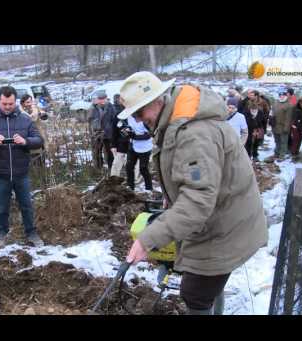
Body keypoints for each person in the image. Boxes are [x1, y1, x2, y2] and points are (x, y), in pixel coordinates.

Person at [121, 72, 267, 315]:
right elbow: (194, 180)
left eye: (139, 113)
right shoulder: (177, 120)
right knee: (207, 288)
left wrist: (147, 239)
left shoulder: (194, 134)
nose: (138, 120)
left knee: (196, 293)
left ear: (157, 101)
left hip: (224, 226)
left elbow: (197, 201)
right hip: (222, 216)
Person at [0, 86, 44, 247]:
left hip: (21, 172)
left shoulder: (25, 119)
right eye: (4, 103)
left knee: (26, 205)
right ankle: (2, 233)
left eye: (11, 103)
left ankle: (31, 233)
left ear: (15, 101)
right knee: (1, 207)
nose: (7, 107)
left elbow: (39, 140)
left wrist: (25, 141)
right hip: (0, 172)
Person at [110, 94, 140, 180]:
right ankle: (113, 180)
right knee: (117, 163)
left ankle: (134, 180)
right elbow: (114, 131)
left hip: (135, 142)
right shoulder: (118, 115)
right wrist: (113, 145)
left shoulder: (137, 112)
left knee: (135, 163)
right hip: (121, 143)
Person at [88, 90, 116, 172]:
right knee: (97, 152)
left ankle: (112, 169)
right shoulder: (93, 108)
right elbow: (91, 120)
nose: (102, 101)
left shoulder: (111, 107)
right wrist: (97, 130)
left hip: (108, 134)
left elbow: (114, 119)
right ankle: (98, 169)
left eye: (104, 99)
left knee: (109, 152)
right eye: (100, 99)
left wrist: (112, 130)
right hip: (97, 134)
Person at [124, 115, 153, 192]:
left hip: (145, 148)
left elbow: (150, 134)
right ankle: (130, 187)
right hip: (133, 146)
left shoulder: (144, 118)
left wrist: (134, 136)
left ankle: (149, 188)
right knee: (129, 167)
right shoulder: (129, 117)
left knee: (143, 168)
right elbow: (128, 128)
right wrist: (127, 132)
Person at [271, 90, 294, 159]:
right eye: (280, 95)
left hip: (283, 126)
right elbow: (272, 113)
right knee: (277, 141)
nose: (281, 97)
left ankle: (282, 155)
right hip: (275, 126)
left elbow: (288, 118)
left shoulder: (289, 105)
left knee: (283, 142)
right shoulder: (276, 103)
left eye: (283, 95)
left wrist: (286, 128)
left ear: (286, 96)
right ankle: (277, 153)